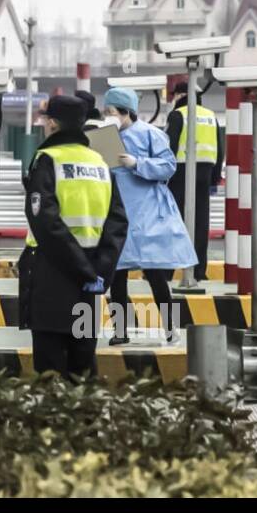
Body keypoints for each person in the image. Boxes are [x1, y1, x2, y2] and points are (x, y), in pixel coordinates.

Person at [19, 94, 127, 378]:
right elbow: (118, 222)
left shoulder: (47, 159)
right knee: (83, 364)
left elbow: (45, 221)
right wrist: (99, 272)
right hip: (92, 280)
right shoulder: (101, 163)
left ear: (52, 123)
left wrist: (82, 270)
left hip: (52, 274)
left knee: (50, 368)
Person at [101, 87, 195, 344]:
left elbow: (168, 167)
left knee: (155, 274)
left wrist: (137, 163)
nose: (107, 116)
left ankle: (170, 328)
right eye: (105, 111)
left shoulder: (151, 134)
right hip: (117, 212)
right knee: (116, 276)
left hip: (147, 213)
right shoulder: (102, 138)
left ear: (125, 112)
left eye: (111, 112)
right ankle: (120, 331)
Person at [165, 80, 224, 281]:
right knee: (200, 224)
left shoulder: (177, 115)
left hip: (180, 174)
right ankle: (199, 272)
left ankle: (167, 272)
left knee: (174, 223)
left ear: (181, 96)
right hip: (205, 174)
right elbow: (220, 149)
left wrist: (162, 176)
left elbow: (169, 148)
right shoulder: (211, 116)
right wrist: (215, 178)